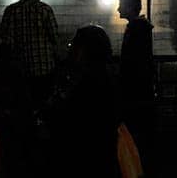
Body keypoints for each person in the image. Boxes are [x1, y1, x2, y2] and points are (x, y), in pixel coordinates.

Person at [46, 24, 123, 177]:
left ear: (85, 49)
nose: (70, 49)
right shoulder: (106, 76)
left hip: (85, 157)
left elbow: (74, 122)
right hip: (102, 155)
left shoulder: (89, 82)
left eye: (73, 44)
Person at [0, 0, 60, 107]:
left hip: (20, 71)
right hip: (44, 69)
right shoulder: (44, 10)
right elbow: (55, 38)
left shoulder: (10, 11)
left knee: (24, 107)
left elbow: (6, 42)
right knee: (43, 105)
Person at [116, 0, 155, 144]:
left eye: (121, 6)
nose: (118, 10)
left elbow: (132, 60)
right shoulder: (140, 27)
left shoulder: (135, 29)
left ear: (129, 8)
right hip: (140, 85)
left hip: (134, 87)